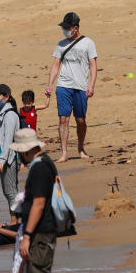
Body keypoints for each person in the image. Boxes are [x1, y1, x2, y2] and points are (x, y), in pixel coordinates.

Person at [10, 128, 60, 273]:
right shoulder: (45, 163)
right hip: (42, 229)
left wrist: (27, 235)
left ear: (27, 150)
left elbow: (39, 204)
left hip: (40, 230)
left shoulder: (39, 168)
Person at [45, 13, 97, 162]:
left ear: (76, 28)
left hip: (81, 87)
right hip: (63, 86)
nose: (65, 30)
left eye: (67, 27)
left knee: (80, 120)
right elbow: (55, 66)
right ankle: (64, 153)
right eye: (64, 27)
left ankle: (81, 147)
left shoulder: (88, 43)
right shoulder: (61, 44)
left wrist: (91, 86)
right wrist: (50, 84)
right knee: (63, 119)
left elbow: (93, 66)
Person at [0, 83, 22, 218]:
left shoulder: (10, 115)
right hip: (3, 157)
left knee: (11, 191)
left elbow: (8, 140)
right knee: (8, 191)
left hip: (10, 158)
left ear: (7, 97)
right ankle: (15, 218)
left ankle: (17, 220)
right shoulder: (0, 114)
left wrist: (2, 160)